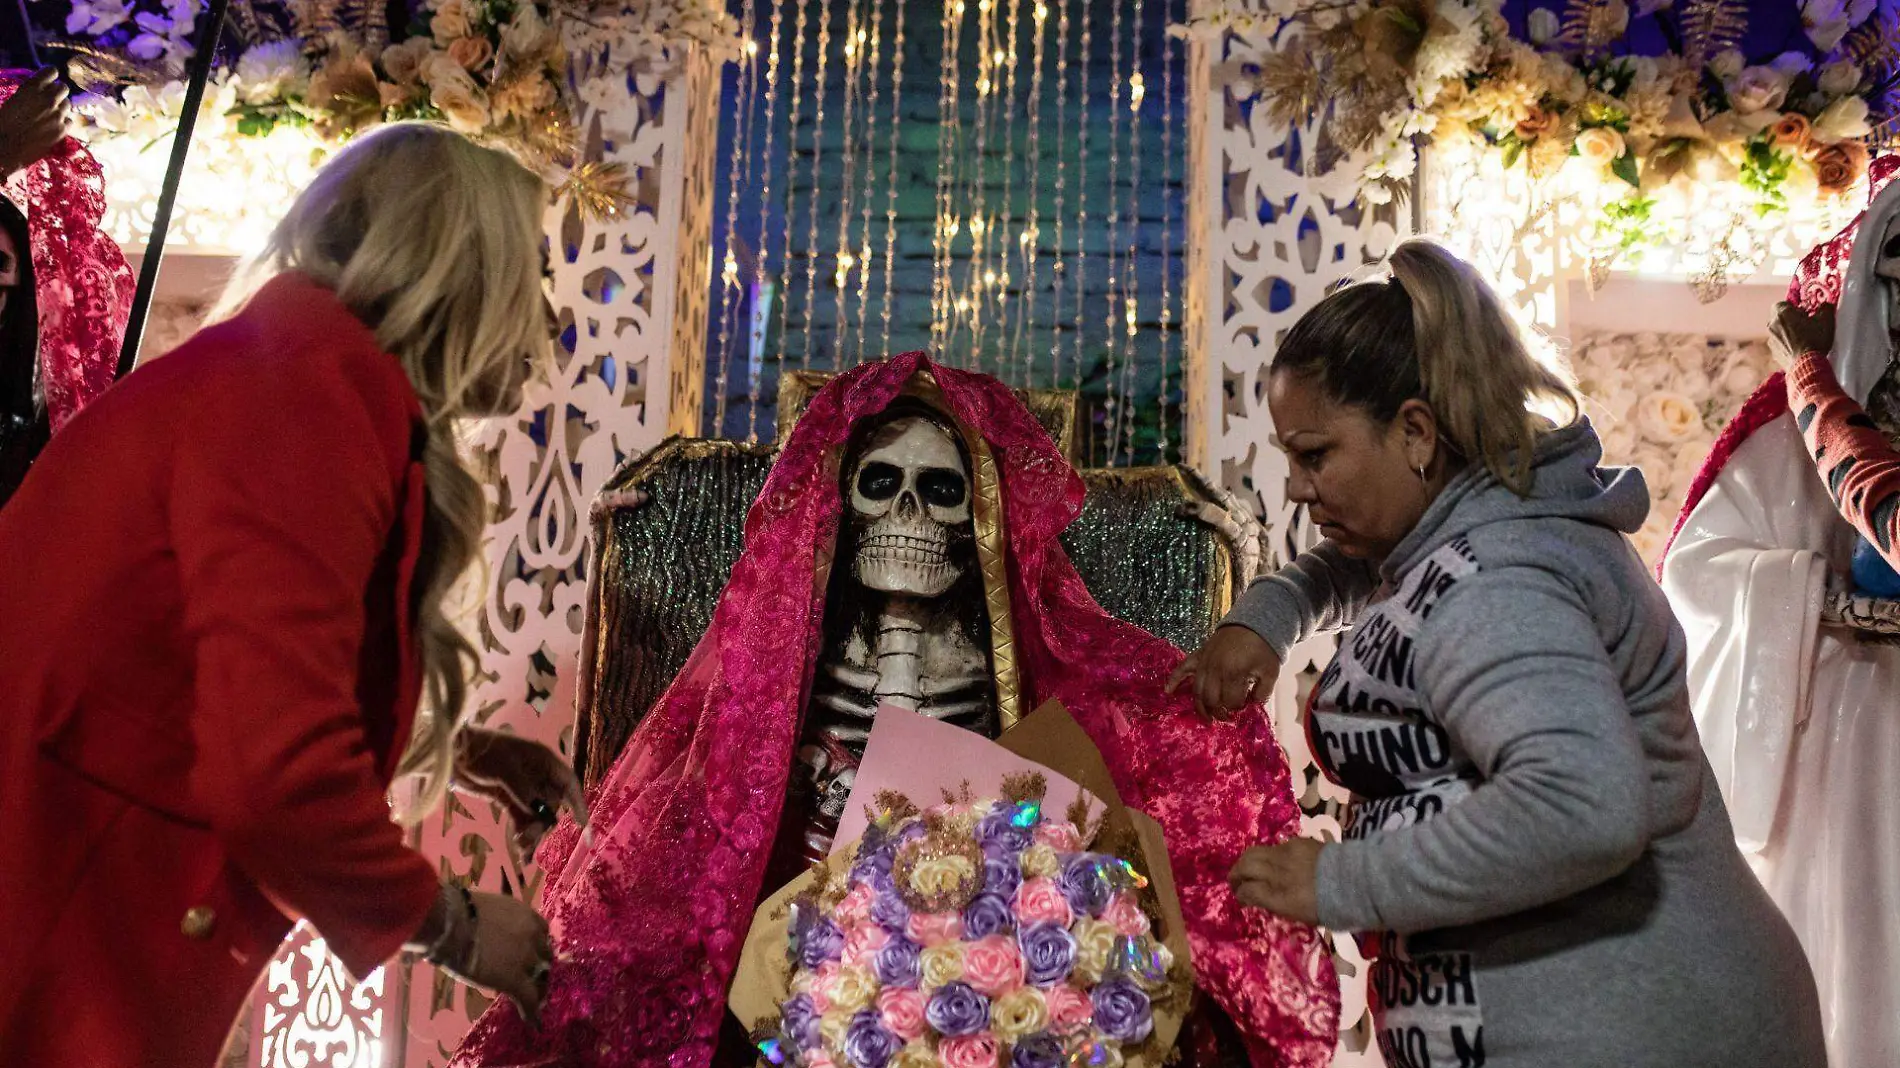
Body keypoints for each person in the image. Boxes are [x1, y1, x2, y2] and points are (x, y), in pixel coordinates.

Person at [450, 353, 1339, 1068]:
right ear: (839, 503)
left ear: (978, 519)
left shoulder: (1005, 654)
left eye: (941, 492)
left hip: (971, 959)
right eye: (880, 485)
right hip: (792, 954)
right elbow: (705, 823)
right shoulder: (779, 671)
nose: (907, 512)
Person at [0, 123, 587, 1067]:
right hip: (55, 931)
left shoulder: (297, 368)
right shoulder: (307, 395)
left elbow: (205, 674)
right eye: (536, 280)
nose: (549, 324)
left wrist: (459, 747)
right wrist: (456, 925)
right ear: (460, 268)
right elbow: (270, 770)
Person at [1172, 238, 1825, 1067]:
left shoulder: (1503, 584)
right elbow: (1375, 569)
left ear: (1415, 431)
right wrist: (1270, 613)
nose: (1298, 487)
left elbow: (1581, 807)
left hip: (1643, 1032)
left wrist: (1342, 883)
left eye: (1315, 454)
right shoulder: (1467, 526)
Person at [1659, 155, 1900, 1068]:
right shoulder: (1776, 441)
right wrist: (1812, 598)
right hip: (1841, 728)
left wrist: (1806, 373)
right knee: (1850, 947)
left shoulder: (1814, 416)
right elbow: (1702, 567)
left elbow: (1875, 492)